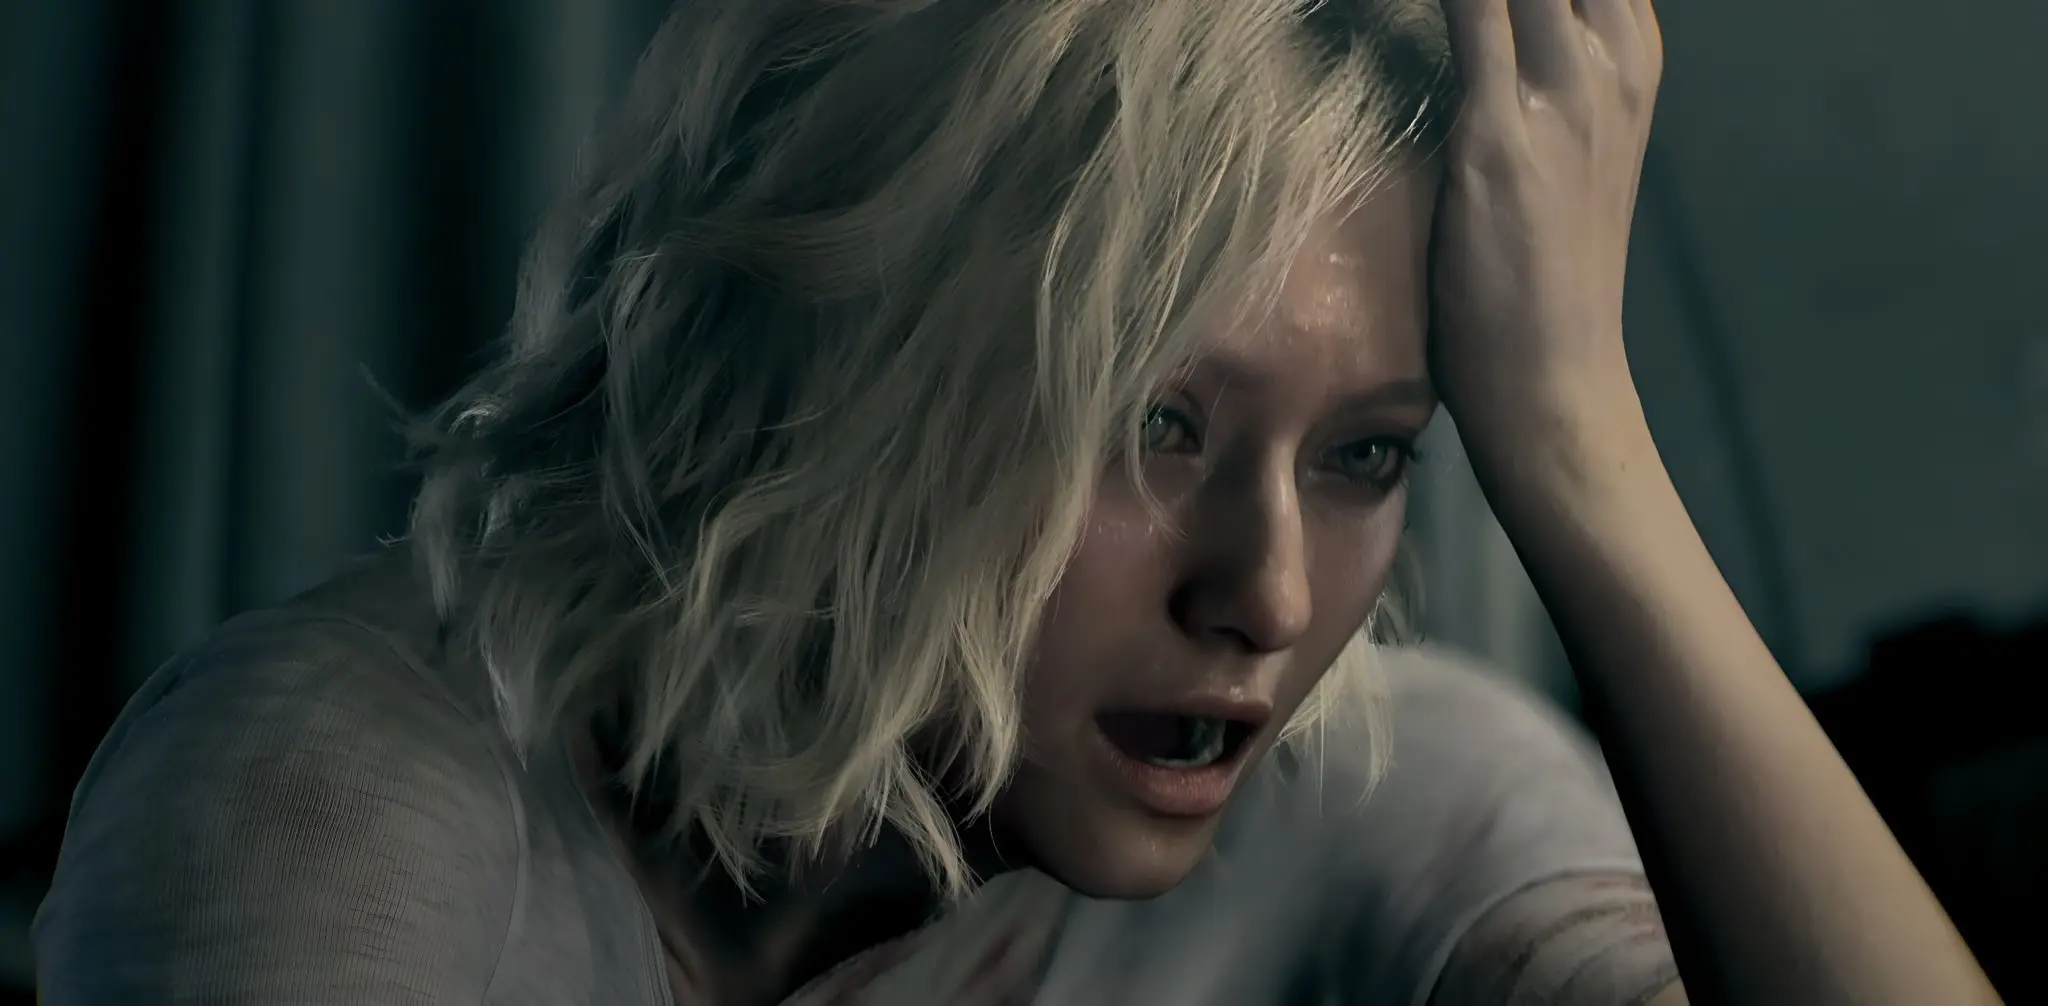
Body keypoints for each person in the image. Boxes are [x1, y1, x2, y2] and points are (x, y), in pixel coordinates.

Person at [32, 0, 2000, 1002]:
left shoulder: (1380, 793)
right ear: (868, 368)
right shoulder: (330, 788)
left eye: (1369, 452)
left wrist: (1579, 447)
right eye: (1156, 424)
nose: (1266, 594)